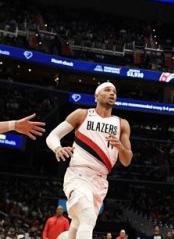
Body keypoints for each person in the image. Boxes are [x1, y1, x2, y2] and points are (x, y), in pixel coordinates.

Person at [45, 82, 133, 239]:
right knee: (87, 216)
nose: (112, 93)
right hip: (78, 174)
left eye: (114, 91)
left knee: (78, 223)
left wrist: (120, 147)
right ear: (96, 96)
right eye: (107, 90)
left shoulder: (122, 124)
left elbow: (127, 161)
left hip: (100, 180)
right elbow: (53, 135)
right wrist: (58, 148)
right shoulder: (82, 114)